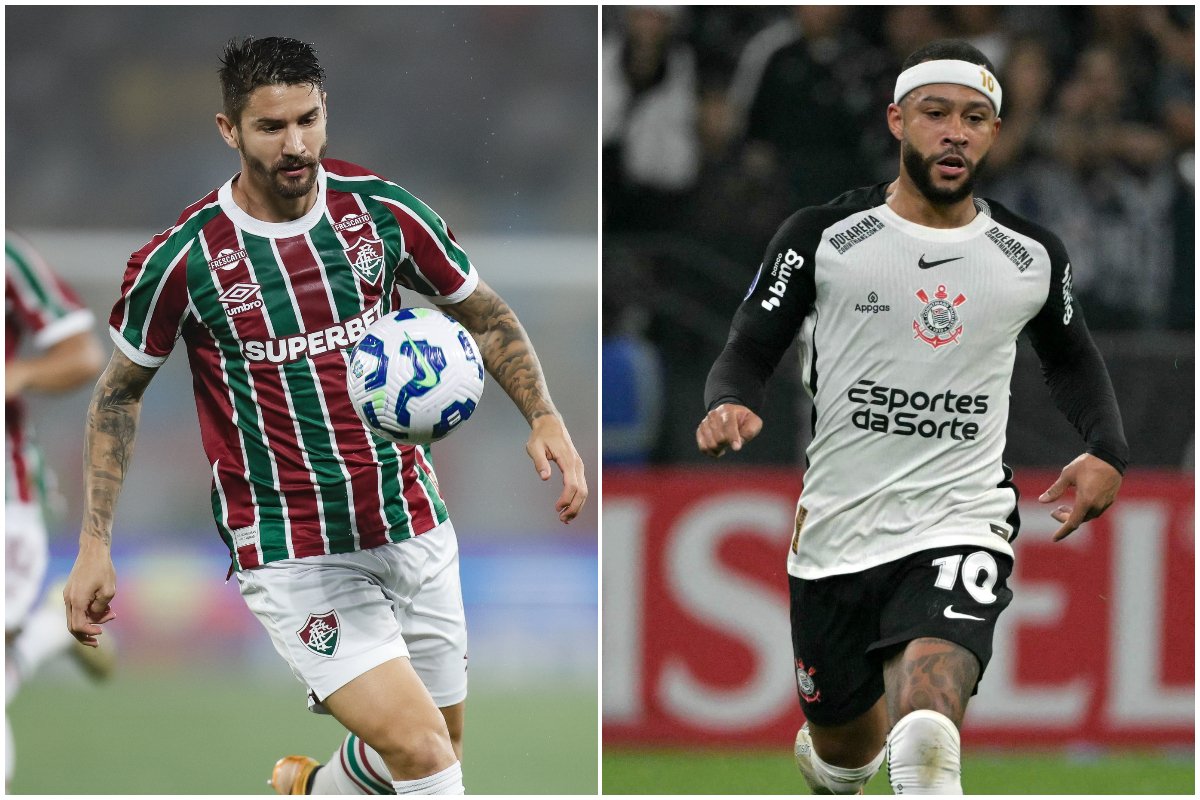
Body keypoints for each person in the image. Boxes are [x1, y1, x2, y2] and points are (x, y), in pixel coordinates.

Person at [63, 36, 588, 796]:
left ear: (325, 111)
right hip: (292, 545)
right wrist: (94, 542)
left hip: (409, 516)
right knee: (427, 759)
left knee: (432, 747)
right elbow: (117, 394)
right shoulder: (185, 259)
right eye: (271, 127)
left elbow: (483, 312)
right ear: (228, 130)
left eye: (307, 119)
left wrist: (544, 415)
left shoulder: (379, 212)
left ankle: (308, 790)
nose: (296, 143)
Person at [696, 40, 1126, 794]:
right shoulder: (821, 238)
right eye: (936, 114)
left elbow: (1072, 358)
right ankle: (838, 763)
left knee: (926, 734)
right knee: (846, 757)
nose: (954, 132)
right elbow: (749, 344)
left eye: (974, 118)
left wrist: (1106, 450)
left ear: (994, 133)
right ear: (898, 121)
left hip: (960, 518)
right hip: (835, 535)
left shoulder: (1028, 256)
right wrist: (729, 399)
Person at [6, 231, 108, 787]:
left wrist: (16, 376)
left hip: (6, 500)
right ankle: (46, 629)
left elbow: (81, 352)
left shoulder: (7, 257)